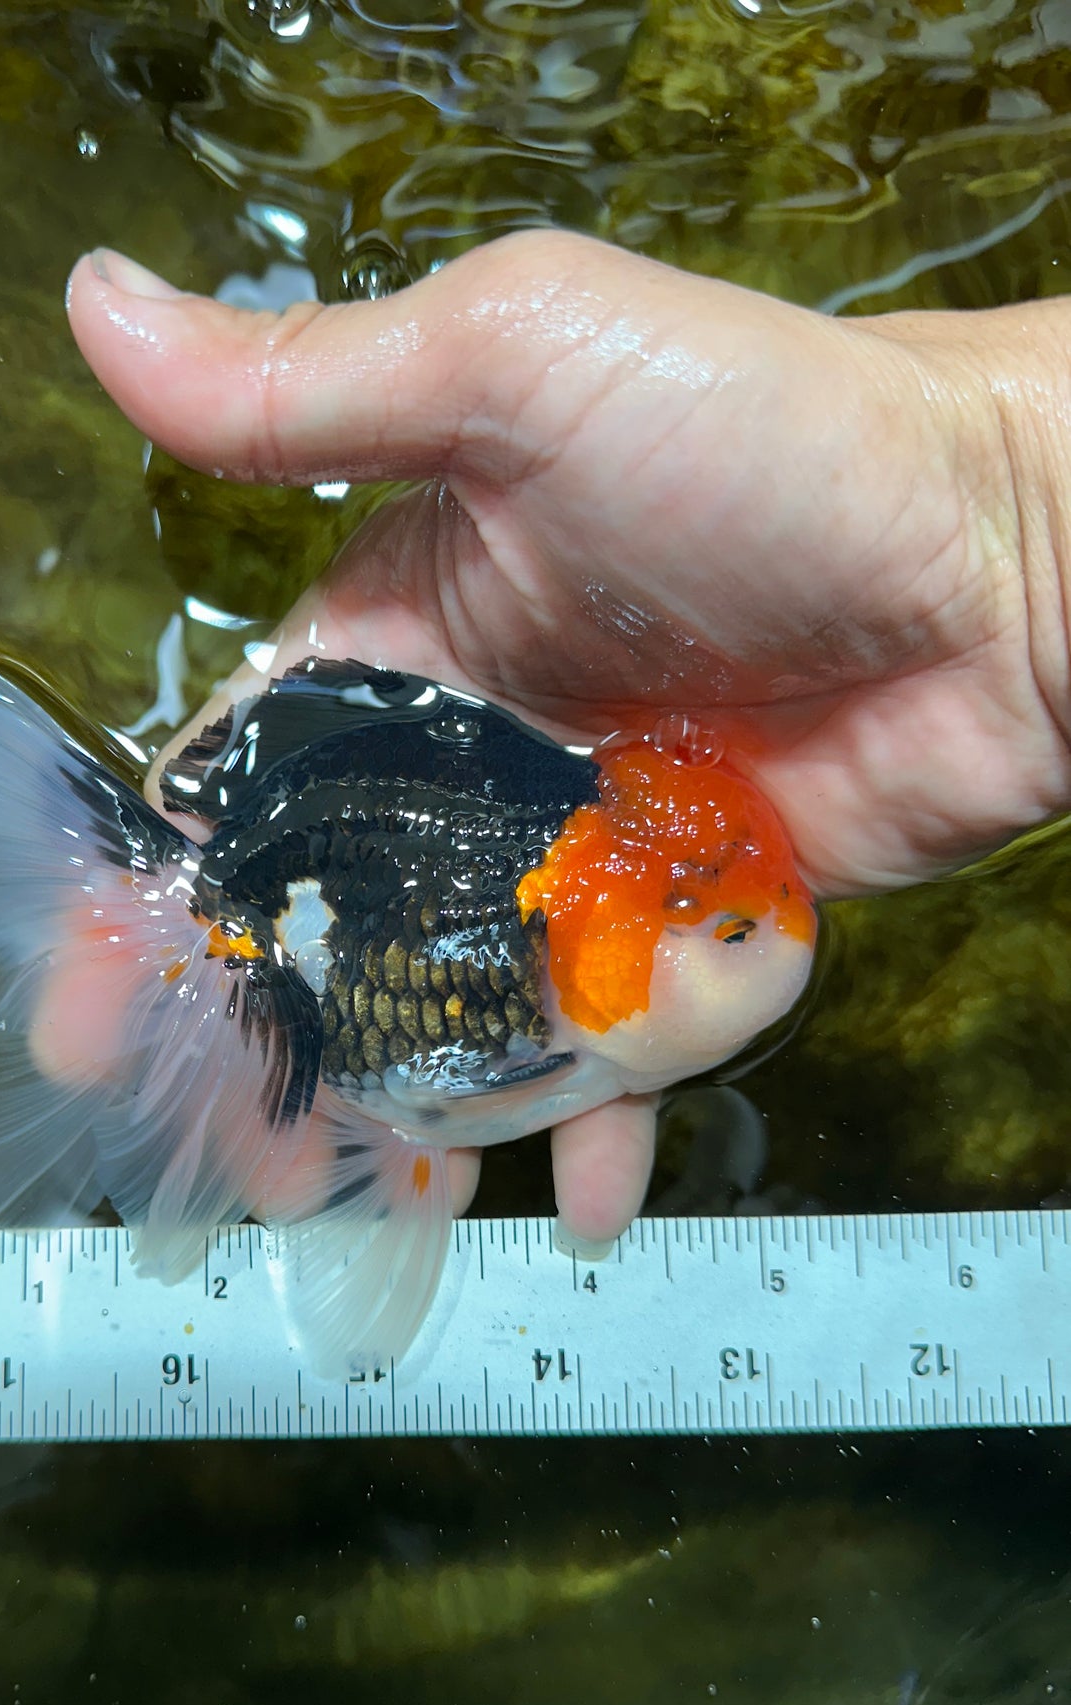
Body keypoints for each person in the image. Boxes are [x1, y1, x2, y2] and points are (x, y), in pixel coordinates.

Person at [65, 228, 1071, 1248]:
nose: (783, 927)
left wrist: (1019, 515)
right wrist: (1014, 525)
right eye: (729, 933)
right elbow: (433, 1101)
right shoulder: (539, 1012)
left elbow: (422, 1106)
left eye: (735, 927)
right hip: (282, 889)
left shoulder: (589, 891)